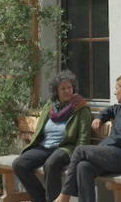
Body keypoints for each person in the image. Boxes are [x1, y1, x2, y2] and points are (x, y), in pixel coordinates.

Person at [53, 74, 121, 202]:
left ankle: (64, 197)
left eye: (117, 89)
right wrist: (100, 118)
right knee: (83, 166)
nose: (115, 93)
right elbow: (109, 110)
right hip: (116, 156)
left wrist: (100, 148)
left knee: (80, 151)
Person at [12, 70, 92, 202]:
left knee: (50, 164)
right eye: (63, 88)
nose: (67, 91)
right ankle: (41, 199)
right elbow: (39, 130)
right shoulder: (50, 106)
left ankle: (53, 200)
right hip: (45, 146)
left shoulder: (81, 108)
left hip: (65, 148)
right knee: (19, 164)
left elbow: (83, 137)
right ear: (56, 91)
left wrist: (76, 158)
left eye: (69, 87)